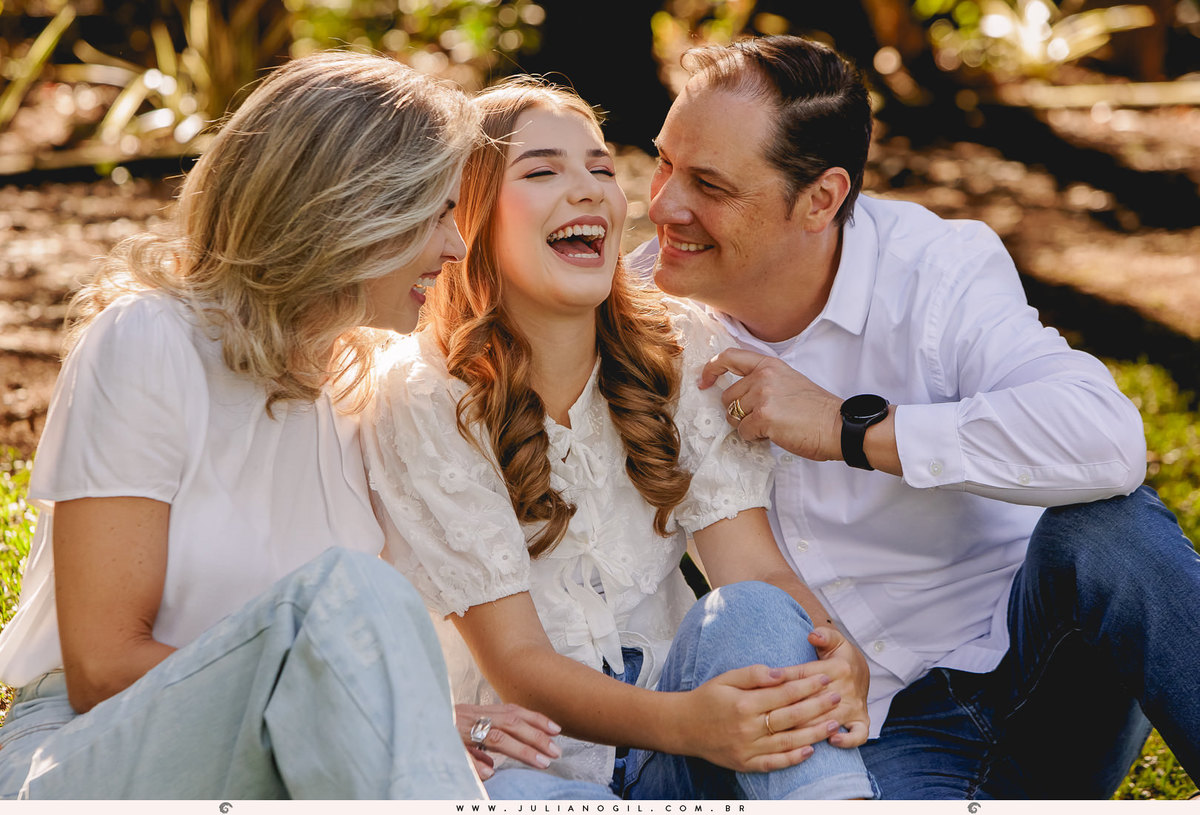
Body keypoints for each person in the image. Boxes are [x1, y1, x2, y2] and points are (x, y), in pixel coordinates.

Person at [627, 34, 1200, 799]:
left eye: (709, 184)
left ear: (821, 199)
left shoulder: (933, 269)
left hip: (1040, 667)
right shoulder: (641, 316)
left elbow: (1107, 438)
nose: (662, 205)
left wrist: (852, 428)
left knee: (1108, 527)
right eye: (664, 162)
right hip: (876, 735)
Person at [0, 50, 559, 799]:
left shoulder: (359, 383)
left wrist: (393, 718)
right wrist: (359, 707)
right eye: (435, 215)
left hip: (264, 768)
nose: (456, 247)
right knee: (352, 591)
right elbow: (101, 667)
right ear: (351, 209)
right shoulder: (149, 339)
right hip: (82, 753)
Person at [361, 77, 877, 801]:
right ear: (468, 215)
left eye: (601, 168)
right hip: (529, 763)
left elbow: (755, 568)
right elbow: (518, 662)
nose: (587, 189)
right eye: (542, 172)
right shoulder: (425, 396)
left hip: (690, 735)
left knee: (756, 613)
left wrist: (836, 654)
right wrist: (691, 726)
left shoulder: (679, 346)